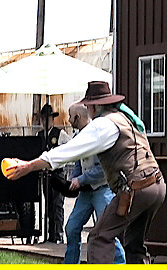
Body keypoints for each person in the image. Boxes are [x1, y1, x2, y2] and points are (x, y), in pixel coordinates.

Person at [5, 81, 166, 264]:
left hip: (136, 189)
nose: (87, 109)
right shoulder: (127, 118)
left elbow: (67, 151)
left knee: (99, 238)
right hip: (157, 186)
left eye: (88, 105)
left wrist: (28, 166)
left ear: (95, 106)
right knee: (133, 245)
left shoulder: (103, 125)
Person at [63, 103, 125, 264]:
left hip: (102, 190)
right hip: (85, 193)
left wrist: (80, 179)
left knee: (107, 231)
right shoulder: (78, 138)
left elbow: (101, 170)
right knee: (71, 228)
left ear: (78, 117)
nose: (68, 120)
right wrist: (73, 179)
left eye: (70, 116)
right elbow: (78, 163)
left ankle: (120, 263)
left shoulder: (98, 136)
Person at [37, 104, 70, 243]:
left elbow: (69, 149)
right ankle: (50, 234)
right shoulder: (39, 135)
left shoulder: (60, 134)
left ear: (52, 119)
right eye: (43, 119)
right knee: (48, 205)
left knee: (58, 204)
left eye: (48, 119)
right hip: (45, 175)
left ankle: (58, 233)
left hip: (57, 173)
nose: (45, 122)